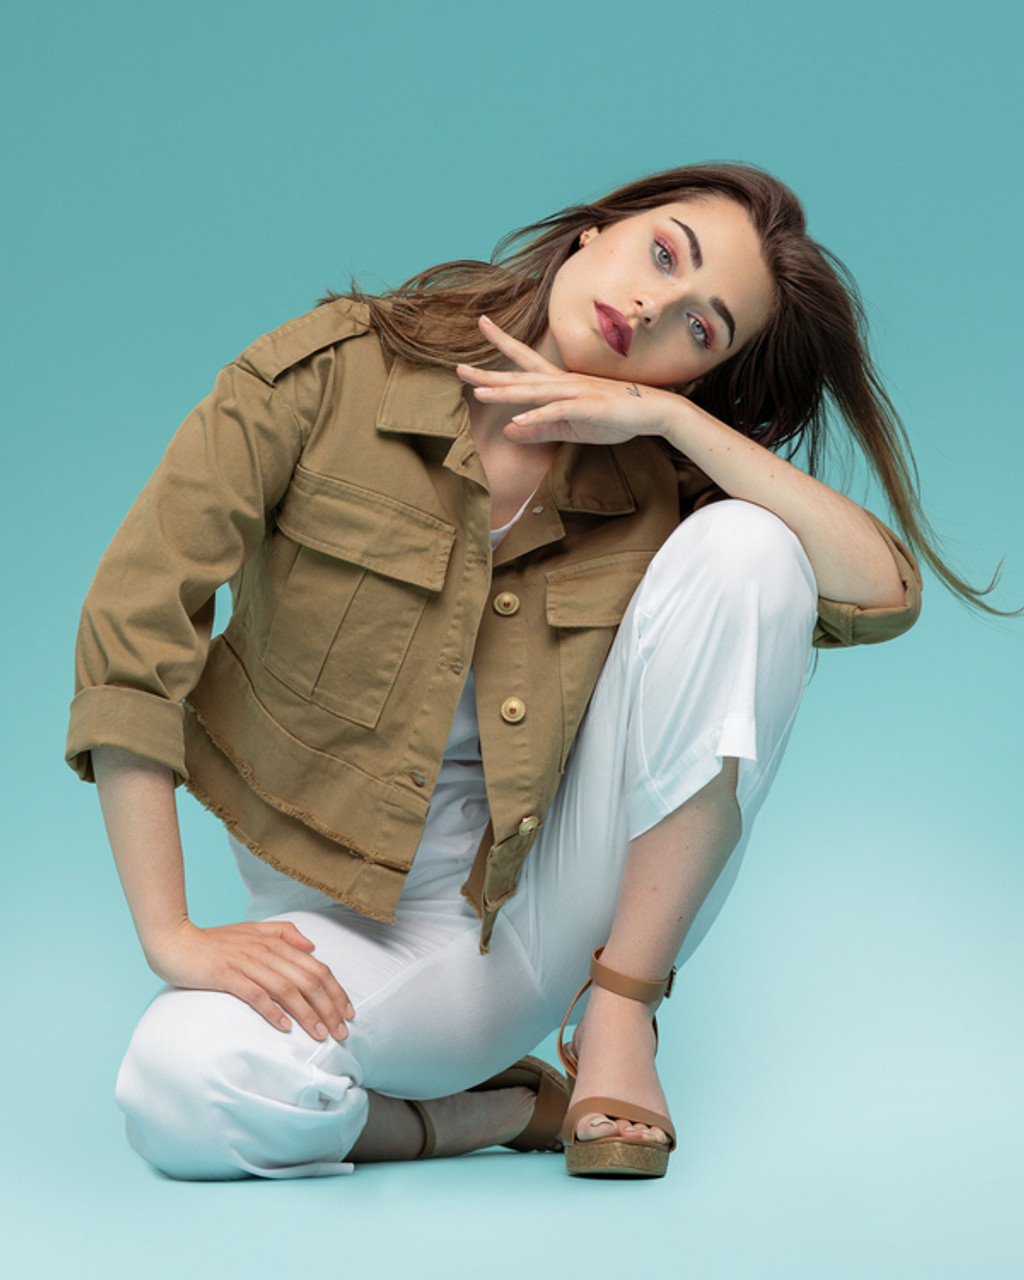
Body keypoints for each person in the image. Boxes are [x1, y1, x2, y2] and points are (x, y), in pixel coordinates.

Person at [67, 162, 986, 1182]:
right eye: (662, 252)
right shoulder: (329, 374)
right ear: (597, 228)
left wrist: (678, 426)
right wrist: (169, 931)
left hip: (530, 916)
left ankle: (619, 1016)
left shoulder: (657, 473)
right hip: (340, 926)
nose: (652, 304)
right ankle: (472, 1113)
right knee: (177, 1084)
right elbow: (135, 622)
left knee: (752, 546)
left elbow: (880, 593)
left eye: (703, 327)